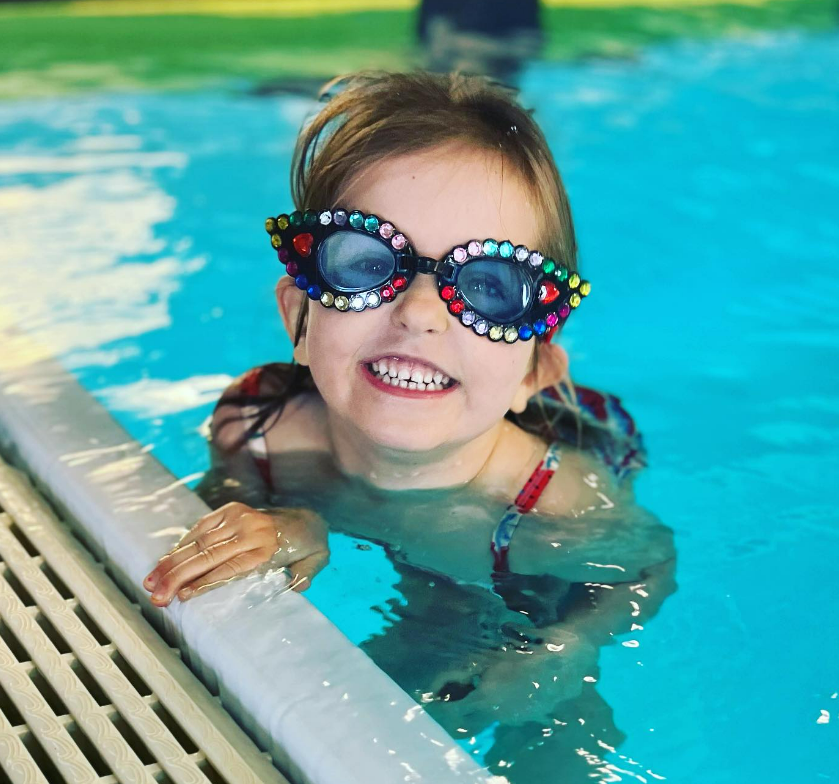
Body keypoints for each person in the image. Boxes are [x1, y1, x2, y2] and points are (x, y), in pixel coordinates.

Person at [142, 70, 676, 776]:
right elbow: (218, 523)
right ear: (297, 319)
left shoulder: (558, 497)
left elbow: (644, 565)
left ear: (533, 371)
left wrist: (570, 645)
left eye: (490, 286)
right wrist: (290, 519)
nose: (420, 311)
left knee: (553, 714)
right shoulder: (259, 430)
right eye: (366, 262)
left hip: (513, 570)